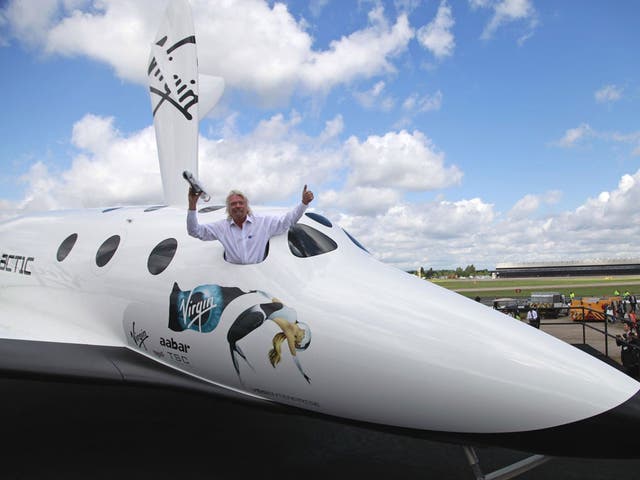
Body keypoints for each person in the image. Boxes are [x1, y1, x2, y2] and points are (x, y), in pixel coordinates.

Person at [187, 185, 314, 264]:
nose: (237, 206)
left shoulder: (262, 223)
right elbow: (195, 231)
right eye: (233, 204)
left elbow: (288, 221)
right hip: (233, 280)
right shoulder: (221, 227)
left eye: (240, 203)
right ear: (228, 208)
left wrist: (303, 203)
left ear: (246, 205)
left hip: (256, 278)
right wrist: (192, 205)